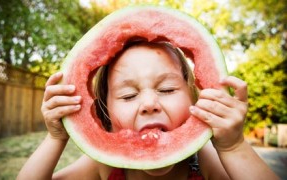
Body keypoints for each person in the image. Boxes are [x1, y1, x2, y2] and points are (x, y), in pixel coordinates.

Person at [17, 42, 278, 180]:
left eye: (167, 90)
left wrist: (234, 147)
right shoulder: (103, 165)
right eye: (129, 95)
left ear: (195, 97)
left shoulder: (205, 162)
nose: (149, 104)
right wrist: (56, 138)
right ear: (104, 111)